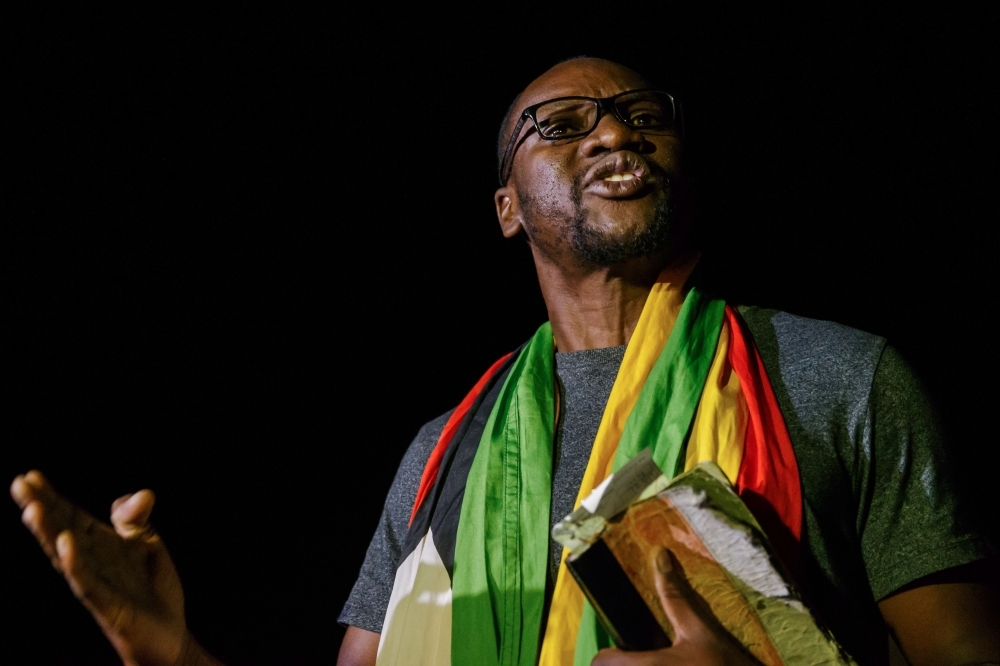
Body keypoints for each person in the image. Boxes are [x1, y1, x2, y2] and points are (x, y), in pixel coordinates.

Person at [11, 57, 1000, 666]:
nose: (615, 131)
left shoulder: (843, 377)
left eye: (641, 115)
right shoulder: (441, 452)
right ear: (506, 208)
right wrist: (173, 652)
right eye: (562, 126)